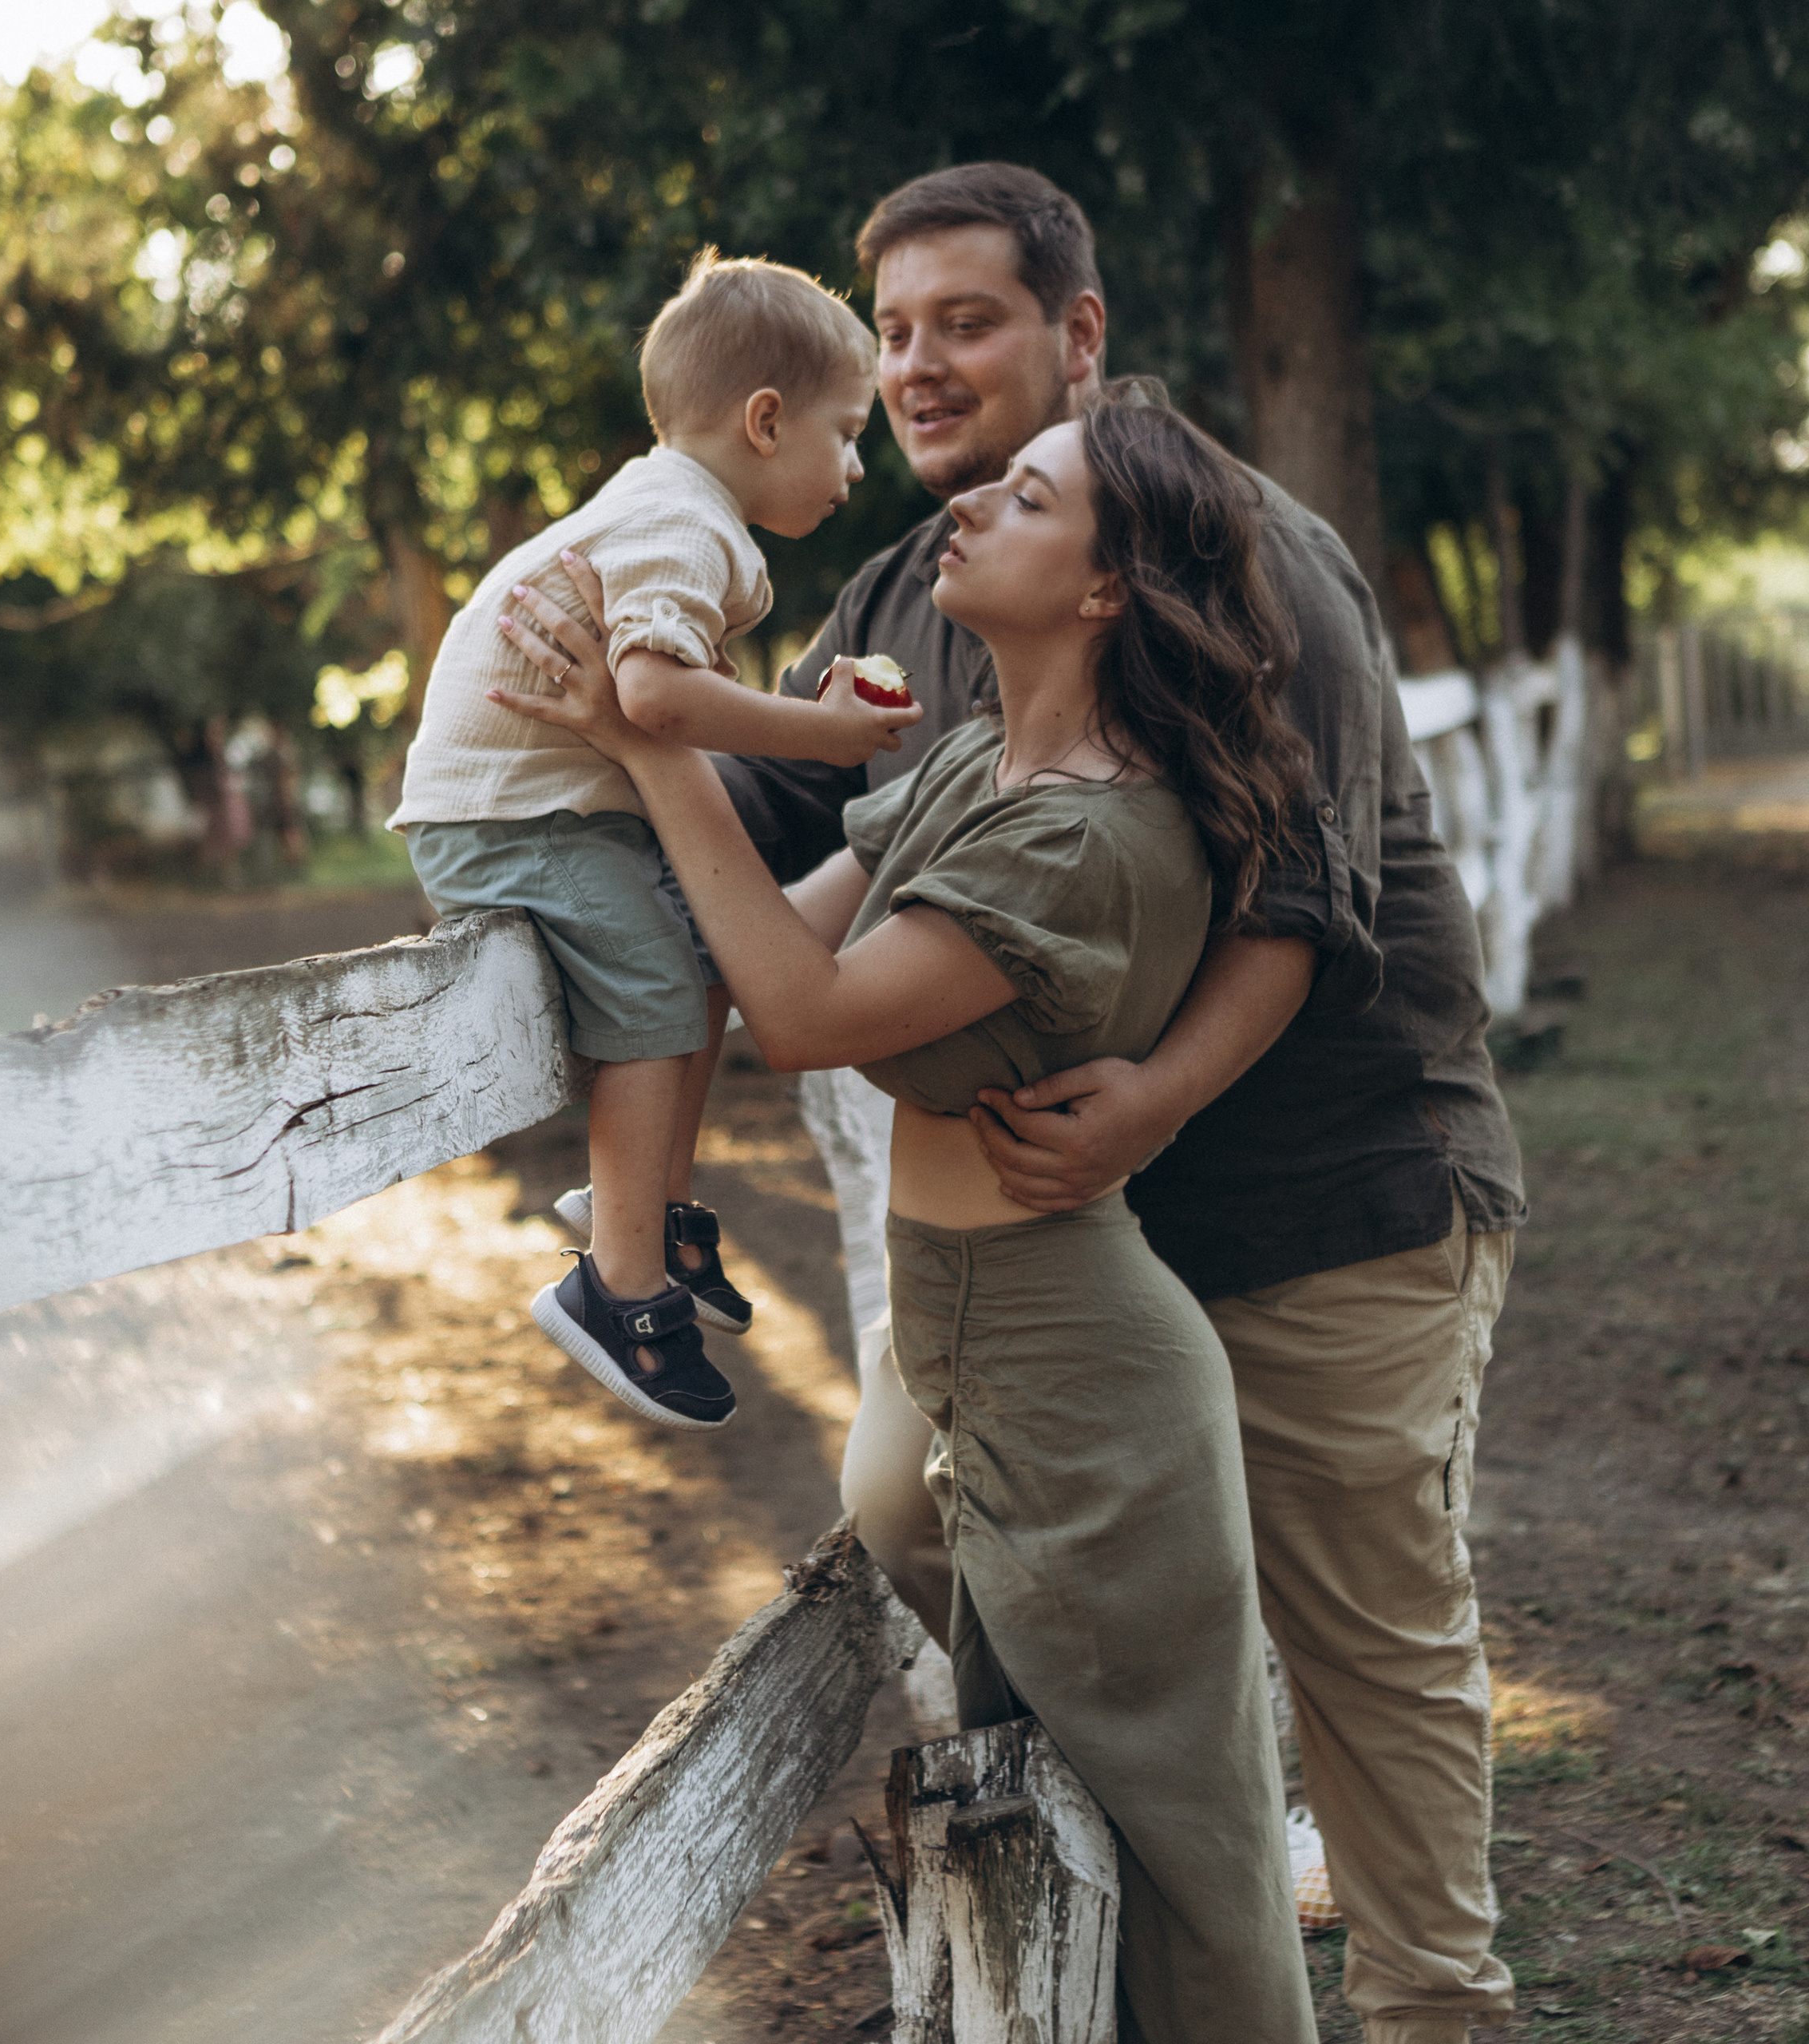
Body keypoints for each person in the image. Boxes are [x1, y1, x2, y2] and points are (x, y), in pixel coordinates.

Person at [712, 166, 1527, 2044]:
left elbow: (1303, 892)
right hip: (1065, 1241)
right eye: (890, 330)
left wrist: (1151, 1098)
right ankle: (1188, 1855)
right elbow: (771, 839)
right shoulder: (906, 589)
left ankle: (1427, 2006)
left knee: (1366, 1644)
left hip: (1325, 1188)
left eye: (966, 322)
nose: (916, 366)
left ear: (1078, 336)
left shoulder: (1230, 544)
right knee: (907, 1500)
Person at [498, 385, 1320, 2044]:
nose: (964, 508)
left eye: (1023, 500)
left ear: (1104, 588)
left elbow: (802, 1009)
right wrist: (598, 787)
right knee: (1042, 1807)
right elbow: (756, 940)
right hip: (955, 1318)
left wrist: (656, 735)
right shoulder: (970, 760)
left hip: (1072, 1363)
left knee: (1184, 1856)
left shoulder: (1082, 831)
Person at [386, 249, 920, 1432]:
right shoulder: (682, 522)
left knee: (702, 963)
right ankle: (614, 1288)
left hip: (551, 809)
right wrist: (822, 733)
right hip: (509, 820)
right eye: (847, 432)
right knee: (657, 994)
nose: (856, 463)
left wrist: (795, 705)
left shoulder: (678, 513)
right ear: (766, 421)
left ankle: (655, 1220)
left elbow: (670, 691)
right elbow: (658, 701)